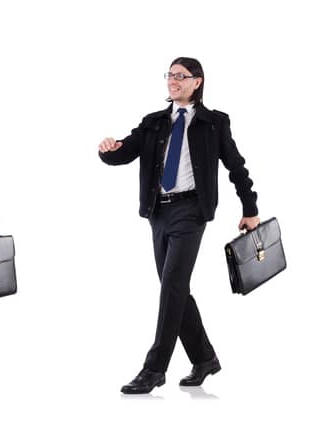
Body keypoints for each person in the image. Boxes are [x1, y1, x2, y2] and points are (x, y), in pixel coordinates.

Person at [98, 57, 260, 395]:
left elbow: (236, 166)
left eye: (181, 76)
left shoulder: (213, 123)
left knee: (171, 284)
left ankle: (154, 368)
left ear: (197, 82)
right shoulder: (154, 122)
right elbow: (124, 153)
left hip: (191, 211)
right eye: (170, 75)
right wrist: (107, 150)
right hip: (158, 212)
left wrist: (250, 207)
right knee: (176, 289)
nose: (173, 81)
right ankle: (204, 358)